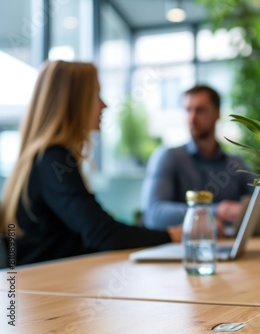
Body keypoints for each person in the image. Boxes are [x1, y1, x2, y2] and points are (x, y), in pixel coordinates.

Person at [0, 60, 181, 266]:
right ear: (73, 103)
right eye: (96, 94)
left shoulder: (46, 158)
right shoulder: (53, 160)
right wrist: (171, 235)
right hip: (49, 287)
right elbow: (102, 234)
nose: (104, 105)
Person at [141, 85, 254, 232]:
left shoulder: (235, 164)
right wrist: (216, 211)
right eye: (188, 110)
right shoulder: (168, 157)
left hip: (227, 246)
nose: (192, 118)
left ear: (217, 113)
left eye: (200, 110)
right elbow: (153, 214)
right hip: (181, 250)